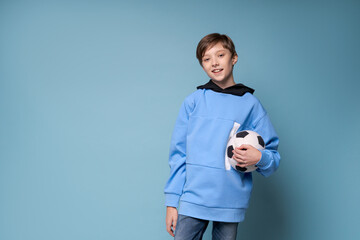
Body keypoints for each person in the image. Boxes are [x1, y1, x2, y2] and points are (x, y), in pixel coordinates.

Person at [164, 33, 280, 240]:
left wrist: (260, 158)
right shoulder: (194, 101)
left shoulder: (250, 105)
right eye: (207, 59)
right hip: (194, 199)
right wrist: (172, 202)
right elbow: (178, 153)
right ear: (202, 65)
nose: (214, 63)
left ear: (233, 58)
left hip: (230, 201)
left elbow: (273, 157)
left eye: (220, 55)